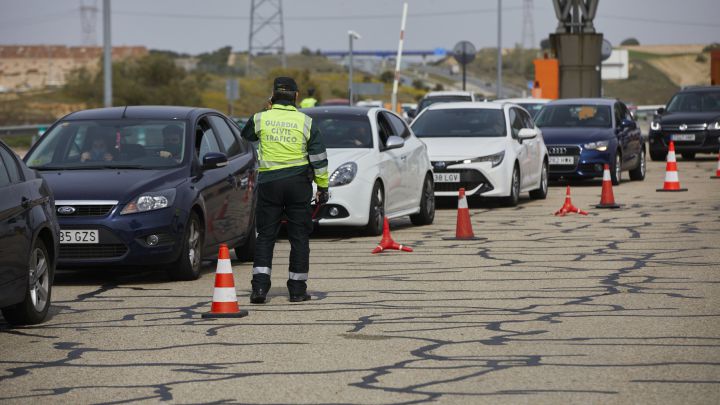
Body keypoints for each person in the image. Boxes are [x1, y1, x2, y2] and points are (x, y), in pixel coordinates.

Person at [241, 77, 329, 304]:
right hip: (298, 184)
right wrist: (322, 187)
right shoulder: (306, 122)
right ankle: (297, 291)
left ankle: (259, 289)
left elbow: (247, 135)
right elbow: (319, 159)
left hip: (269, 184)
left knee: (265, 237)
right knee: (299, 237)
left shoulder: (261, 118)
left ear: (272, 97)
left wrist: (267, 109)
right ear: (297, 97)